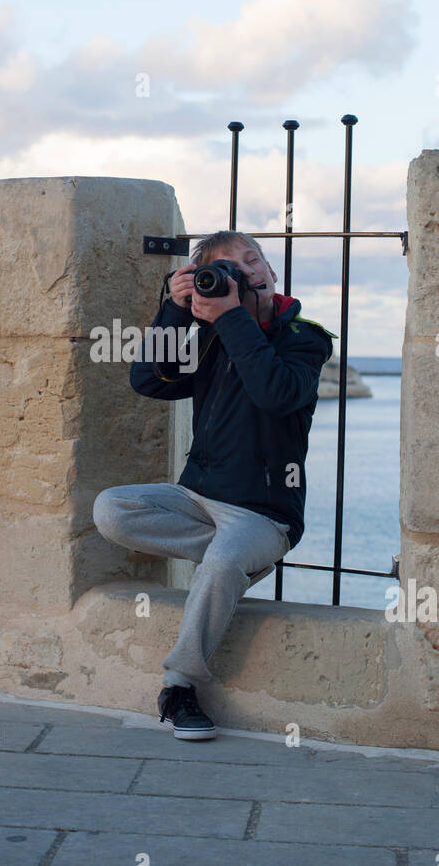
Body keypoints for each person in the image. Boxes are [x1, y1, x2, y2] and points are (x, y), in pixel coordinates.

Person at [92, 229, 334, 740]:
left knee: (223, 561)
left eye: (253, 261)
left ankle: (179, 687)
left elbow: (275, 393)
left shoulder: (305, 337)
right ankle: (238, 563)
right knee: (112, 509)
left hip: (266, 515)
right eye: (228, 267)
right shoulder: (209, 336)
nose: (245, 271)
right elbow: (147, 382)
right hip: (199, 499)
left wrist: (229, 317)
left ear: (271, 273)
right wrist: (176, 311)